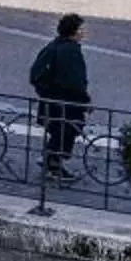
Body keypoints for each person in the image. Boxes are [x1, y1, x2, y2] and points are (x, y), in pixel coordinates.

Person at [29, 12, 90, 179]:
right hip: (67, 103)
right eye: (81, 29)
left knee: (59, 132)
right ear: (74, 31)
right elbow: (75, 81)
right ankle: (53, 164)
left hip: (51, 101)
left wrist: (46, 92)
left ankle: (51, 161)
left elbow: (36, 75)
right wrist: (85, 100)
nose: (83, 32)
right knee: (66, 131)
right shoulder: (71, 51)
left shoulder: (53, 46)